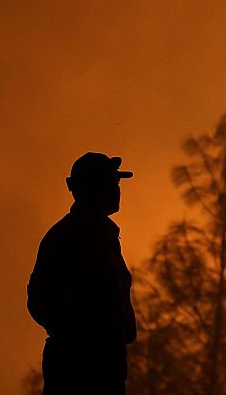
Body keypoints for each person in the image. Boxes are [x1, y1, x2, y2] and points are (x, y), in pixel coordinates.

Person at [27, 152, 137, 395]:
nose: (117, 191)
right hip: (80, 369)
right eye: (111, 184)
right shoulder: (70, 236)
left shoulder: (103, 234)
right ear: (94, 188)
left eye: (116, 184)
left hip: (105, 365)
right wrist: (81, 336)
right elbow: (39, 300)